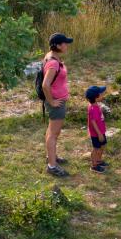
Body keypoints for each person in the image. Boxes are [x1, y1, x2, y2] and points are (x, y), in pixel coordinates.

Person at [42, 32, 73, 178]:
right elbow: (45, 85)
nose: (67, 45)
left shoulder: (51, 56)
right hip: (56, 103)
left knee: (51, 131)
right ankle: (52, 166)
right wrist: (52, 101)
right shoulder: (53, 63)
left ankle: (51, 156)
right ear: (58, 46)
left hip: (57, 101)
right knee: (54, 134)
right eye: (65, 43)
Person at [86, 85, 107, 173]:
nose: (103, 95)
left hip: (101, 131)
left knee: (103, 146)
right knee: (96, 149)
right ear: (96, 97)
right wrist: (99, 134)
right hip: (96, 134)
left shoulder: (95, 105)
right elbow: (93, 122)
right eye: (101, 94)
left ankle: (98, 160)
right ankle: (94, 165)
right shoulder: (93, 108)